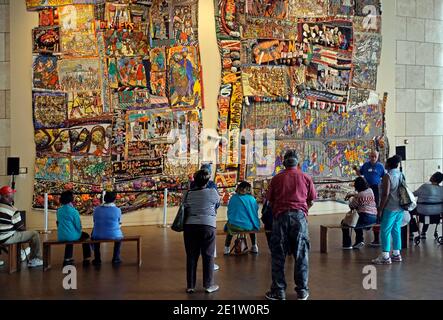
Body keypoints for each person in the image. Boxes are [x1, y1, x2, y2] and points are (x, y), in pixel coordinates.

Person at [265, 150, 317, 300]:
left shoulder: (276, 179)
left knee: (278, 255)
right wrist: (302, 211)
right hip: (299, 218)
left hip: (280, 218)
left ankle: (278, 291)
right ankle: (302, 290)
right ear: (297, 162)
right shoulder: (306, 177)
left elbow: (270, 201)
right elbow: (311, 200)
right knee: (301, 255)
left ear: (283, 161)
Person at [183, 169, 220, 294]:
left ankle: (190, 286)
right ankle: (208, 285)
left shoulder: (188, 193)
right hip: (208, 225)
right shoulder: (212, 192)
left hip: (190, 226)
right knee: (208, 255)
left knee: (191, 256)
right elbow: (217, 204)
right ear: (207, 180)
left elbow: (185, 207)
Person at [0, 186, 43, 268]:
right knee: (34, 234)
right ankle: (35, 259)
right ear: (6, 196)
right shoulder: (13, 210)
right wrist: (24, 229)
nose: (13, 196)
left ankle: (20, 253)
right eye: (12, 194)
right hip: (6, 238)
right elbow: (20, 228)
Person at [372, 155, 404, 265]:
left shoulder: (388, 176)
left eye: (386, 163)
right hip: (400, 207)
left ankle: (385, 256)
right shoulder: (401, 174)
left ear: (389, 165)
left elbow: (385, 194)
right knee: (396, 230)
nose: (384, 164)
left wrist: (380, 209)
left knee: (385, 231)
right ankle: (396, 254)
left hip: (390, 207)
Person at [353, 150, 385, 246]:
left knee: (376, 207)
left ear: (377, 157)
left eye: (375, 156)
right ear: (369, 156)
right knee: (364, 205)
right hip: (366, 188)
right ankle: (365, 224)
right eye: (371, 156)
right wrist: (355, 169)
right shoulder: (366, 165)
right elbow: (360, 174)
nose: (373, 158)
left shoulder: (380, 166)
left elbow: (384, 177)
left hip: (376, 188)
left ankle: (376, 237)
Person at [224, 181, 260, 255]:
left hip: (234, 226)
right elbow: (255, 210)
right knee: (252, 225)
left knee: (230, 226)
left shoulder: (233, 198)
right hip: (248, 226)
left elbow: (230, 211)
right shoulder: (252, 199)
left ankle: (226, 248)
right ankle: (254, 246)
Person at [56, 191, 91, 267]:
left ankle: (67, 259)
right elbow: (78, 225)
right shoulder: (74, 211)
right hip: (71, 235)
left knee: (69, 237)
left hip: (61, 236)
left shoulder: (59, 211)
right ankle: (86, 259)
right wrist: (79, 231)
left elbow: (58, 223)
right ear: (71, 199)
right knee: (86, 236)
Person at [342, 177, 377, 249]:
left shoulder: (358, 195)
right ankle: (359, 240)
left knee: (345, 223)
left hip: (365, 217)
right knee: (358, 221)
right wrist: (354, 195)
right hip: (374, 217)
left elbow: (352, 206)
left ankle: (348, 244)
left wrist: (351, 199)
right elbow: (363, 195)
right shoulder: (370, 191)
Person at [91, 191, 123, 265]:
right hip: (114, 235)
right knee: (119, 238)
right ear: (114, 199)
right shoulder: (117, 210)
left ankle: (97, 259)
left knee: (95, 234)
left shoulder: (96, 209)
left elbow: (95, 221)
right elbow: (119, 223)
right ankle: (116, 258)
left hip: (98, 234)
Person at [410, 172, 443, 239]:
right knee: (428, 214)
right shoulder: (442, 189)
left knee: (409, 211)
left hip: (422, 210)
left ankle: (411, 232)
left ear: (433, 177)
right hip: (437, 211)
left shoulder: (425, 186)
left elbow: (413, 194)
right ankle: (423, 232)